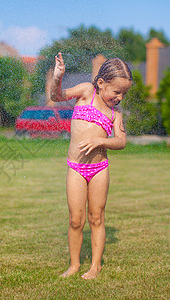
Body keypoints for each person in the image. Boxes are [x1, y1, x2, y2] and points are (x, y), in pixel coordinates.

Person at [50, 53, 132, 279]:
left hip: (99, 170)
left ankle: (95, 266)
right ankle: (74, 265)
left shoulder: (115, 114)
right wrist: (58, 77)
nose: (120, 97)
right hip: (76, 168)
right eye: (117, 92)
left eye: (124, 93)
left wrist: (100, 141)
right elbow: (56, 96)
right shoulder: (87, 92)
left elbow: (121, 141)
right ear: (101, 83)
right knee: (76, 220)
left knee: (97, 218)